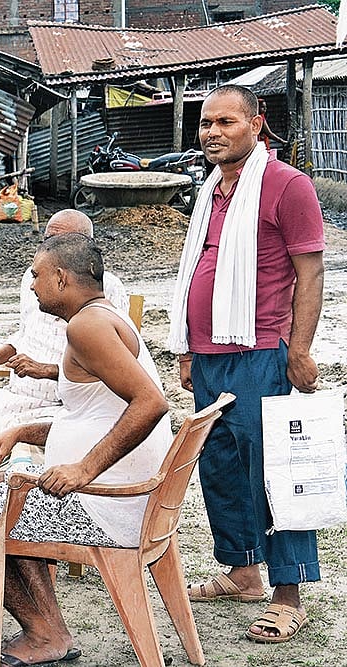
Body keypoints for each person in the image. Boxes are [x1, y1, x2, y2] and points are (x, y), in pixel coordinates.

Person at [0, 233, 171, 667]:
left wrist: (84, 469)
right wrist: (20, 432)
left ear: (62, 278)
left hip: (110, 507)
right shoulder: (102, 316)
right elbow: (91, 417)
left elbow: (152, 404)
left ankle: (42, 632)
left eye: (37, 276)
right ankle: (50, 630)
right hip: (129, 499)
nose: (32, 285)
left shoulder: (88, 327)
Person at [168, 84, 324, 644]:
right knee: (220, 468)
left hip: (261, 353)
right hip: (209, 357)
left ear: (256, 124)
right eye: (205, 123)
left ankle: (288, 594)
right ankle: (242, 573)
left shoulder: (287, 185)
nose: (211, 132)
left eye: (225, 122)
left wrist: (299, 350)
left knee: (274, 471)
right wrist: (188, 348)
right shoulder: (211, 188)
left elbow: (311, 273)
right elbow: (198, 267)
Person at [0, 210, 128, 444]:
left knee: (12, 453)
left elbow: (111, 369)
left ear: (85, 248)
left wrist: (45, 370)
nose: (50, 248)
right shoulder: (33, 278)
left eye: (61, 243)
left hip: (65, 406)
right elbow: (26, 334)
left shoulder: (103, 289)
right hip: (16, 398)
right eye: (47, 240)